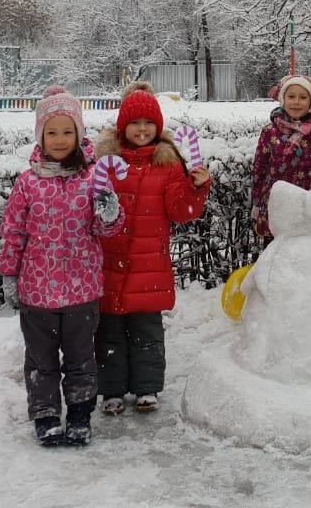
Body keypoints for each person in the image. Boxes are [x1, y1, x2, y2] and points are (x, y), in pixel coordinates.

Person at [0, 86, 125, 447]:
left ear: (79, 134)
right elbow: (13, 232)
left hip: (81, 289)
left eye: (67, 131)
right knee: (40, 361)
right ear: (40, 135)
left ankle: (81, 414)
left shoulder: (93, 178)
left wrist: (109, 209)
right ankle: (46, 415)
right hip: (37, 292)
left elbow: (107, 229)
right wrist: (9, 273)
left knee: (81, 358)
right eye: (51, 132)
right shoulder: (28, 182)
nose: (59, 139)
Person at [95, 82, 211, 414]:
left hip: (149, 267)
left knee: (147, 331)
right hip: (111, 261)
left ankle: (147, 387)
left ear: (158, 127)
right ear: (122, 127)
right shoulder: (105, 161)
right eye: (134, 123)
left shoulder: (168, 163)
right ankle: (112, 389)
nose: (142, 129)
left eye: (148, 123)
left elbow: (180, 211)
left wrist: (194, 188)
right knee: (110, 331)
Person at [250, 74, 311, 244]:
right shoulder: (270, 131)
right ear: (283, 99)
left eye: (303, 97)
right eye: (291, 96)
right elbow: (259, 168)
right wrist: (256, 202)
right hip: (276, 206)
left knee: (304, 257)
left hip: (308, 205)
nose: (296, 102)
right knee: (276, 258)